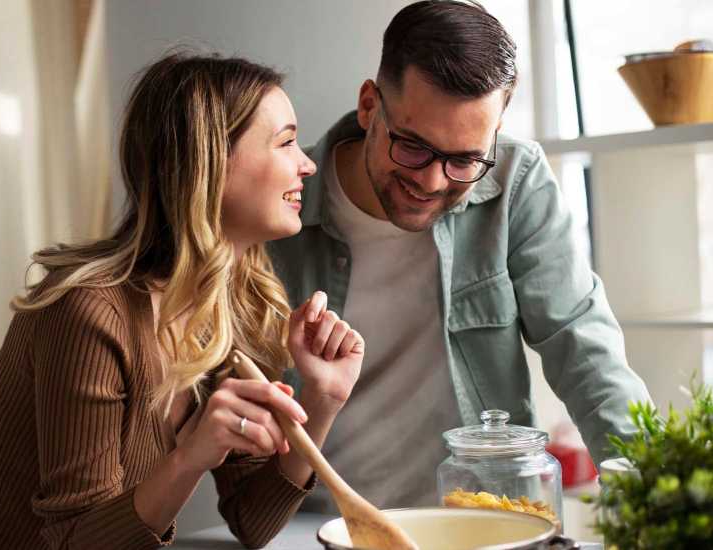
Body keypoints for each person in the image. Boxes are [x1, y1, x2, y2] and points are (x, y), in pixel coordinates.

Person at [0, 52, 365, 550]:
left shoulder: (235, 305)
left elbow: (254, 522)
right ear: (208, 164)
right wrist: (190, 456)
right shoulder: (88, 312)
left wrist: (321, 403)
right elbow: (75, 542)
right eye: (287, 142)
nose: (308, 163)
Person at [267, 0, 651, 512]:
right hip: (320, 525)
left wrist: (653, 500)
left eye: (465, 159)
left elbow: (583, 346)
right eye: (412, 146)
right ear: (368, 106)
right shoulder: (280, 203)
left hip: (485, 520)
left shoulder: (516, 178)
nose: (431, 182)